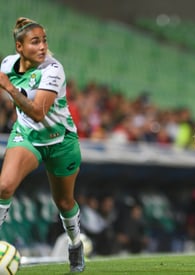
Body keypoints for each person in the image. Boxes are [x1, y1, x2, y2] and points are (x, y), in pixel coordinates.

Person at [0, 17, 85, 272]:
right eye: (35, 42)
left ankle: (75, 243)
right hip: (27, 137)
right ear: (19, 47)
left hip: (60, 142)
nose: (42, 47)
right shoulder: (8, 64)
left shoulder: (53, 70)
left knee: (64, 202)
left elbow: (38, 112)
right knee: (4, 186)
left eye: (44, 41)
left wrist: (9, 88)